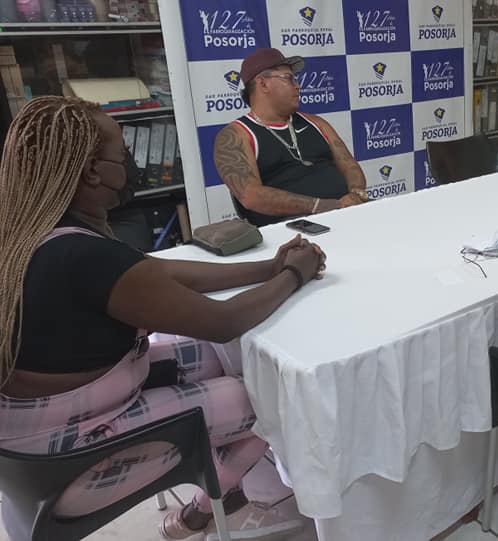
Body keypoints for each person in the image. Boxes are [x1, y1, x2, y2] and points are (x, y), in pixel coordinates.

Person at [0, 96, 327, 541]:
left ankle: (230, 473)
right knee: (272, 398)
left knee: (226, 363)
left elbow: (155, 272)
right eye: (123, 152)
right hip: (67, 467)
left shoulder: (36, 229)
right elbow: (224, 322)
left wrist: (267, 268)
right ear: (93, 172)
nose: (131, 162)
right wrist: (294, 275)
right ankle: (200, 512)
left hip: (35, 446)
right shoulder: (82, 256)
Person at [215, 48, 368, 227]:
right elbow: (251, 196)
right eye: (289, 78)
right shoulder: (236, 135)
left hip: (347, 212)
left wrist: (355, 194)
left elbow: (349, 165)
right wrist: (324, 206)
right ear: (263, 84)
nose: (297, 86)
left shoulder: (316, 122)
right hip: (293, 228)